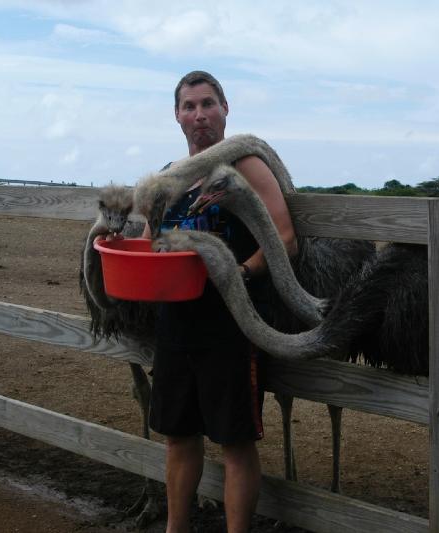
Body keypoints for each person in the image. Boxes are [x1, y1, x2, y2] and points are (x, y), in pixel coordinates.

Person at [147, 71, 297, 533]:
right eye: (189, 107)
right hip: (175, 322)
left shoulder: (246, 167)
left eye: (208, 104)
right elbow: (152, 243)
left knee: (235, 443)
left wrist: (242, 274)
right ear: (177, 116)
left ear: (225, 109)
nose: (199, 116)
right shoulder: (171, 175)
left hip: (231, 323)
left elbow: (285, 238)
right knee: (178, 437)